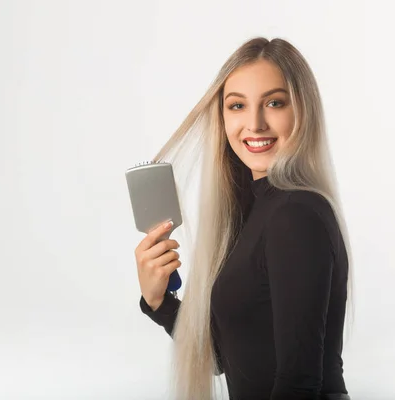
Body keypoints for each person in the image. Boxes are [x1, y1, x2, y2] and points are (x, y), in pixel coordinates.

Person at [133, 37, 354, 400]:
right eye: (237, 105)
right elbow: (227, 357)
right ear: (222, 117)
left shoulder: (295, 214)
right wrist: (159, 302)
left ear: (302, 110)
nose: (255, 123)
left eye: (274, 102)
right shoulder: (253, 214)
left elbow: (299, 385)